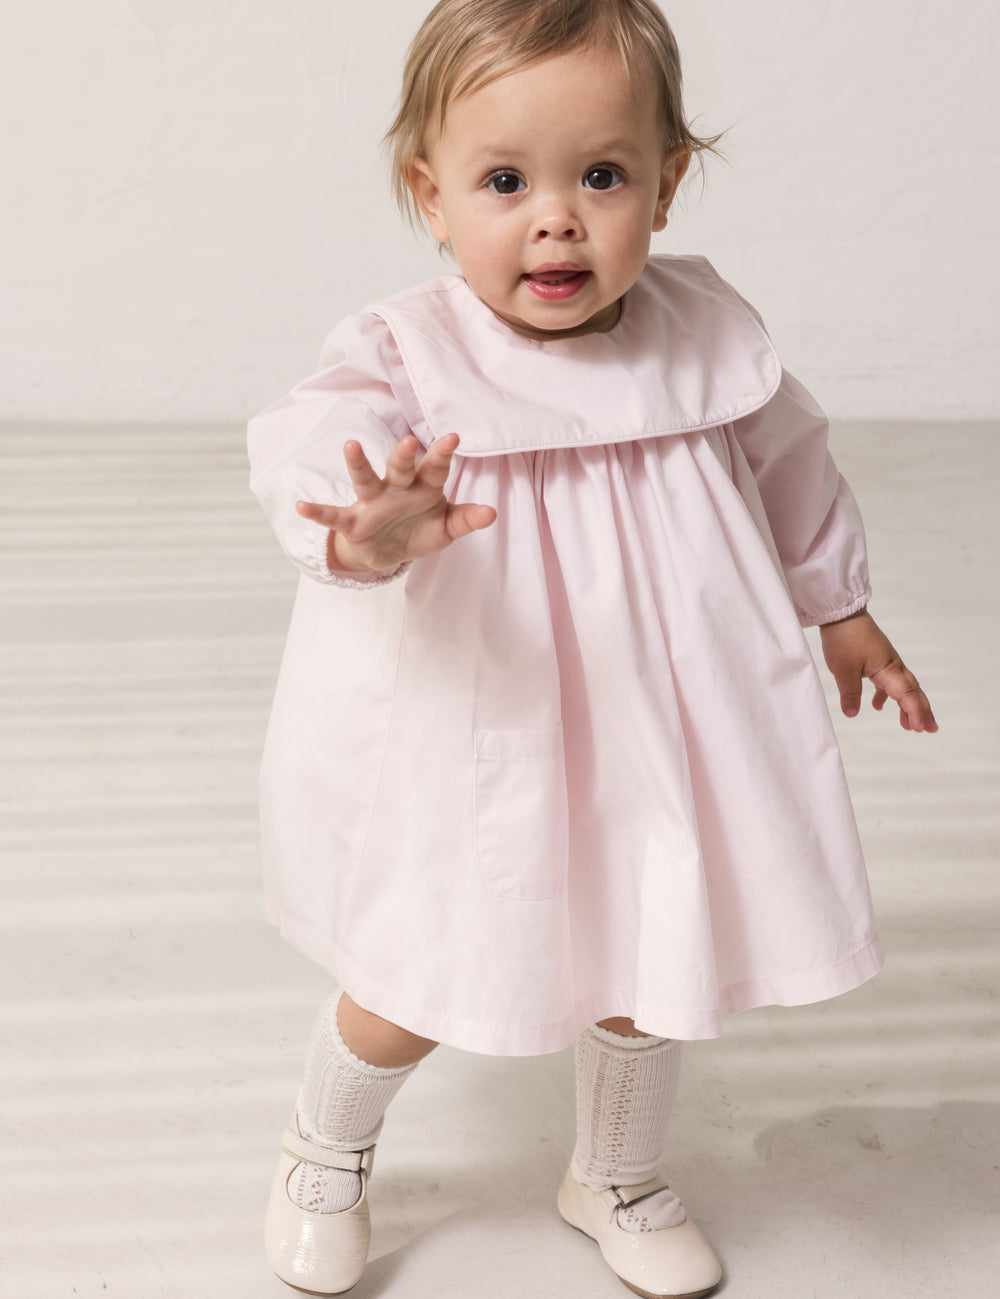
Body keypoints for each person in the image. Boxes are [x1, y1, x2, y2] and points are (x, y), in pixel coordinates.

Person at [247, 1, 938, 1295]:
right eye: (505, 181)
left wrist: (839, 606)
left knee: (647, 951)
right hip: (483, 731)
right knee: (416, 962)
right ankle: (321, 1147)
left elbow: (792, 467)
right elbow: (303, 445)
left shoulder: (708, 335)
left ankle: (612, 1170)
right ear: (431, 195)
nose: (555, 218)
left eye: (602, 175)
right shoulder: (407, 352)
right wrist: (364, 530)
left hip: (664, 720)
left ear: (667, 188)